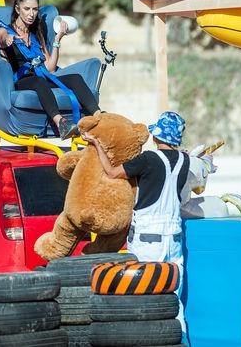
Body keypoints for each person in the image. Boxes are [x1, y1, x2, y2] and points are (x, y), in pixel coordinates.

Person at [81, 111, 215, 346]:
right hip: (174, 238)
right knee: (173, 300)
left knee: (144, 298)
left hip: (147, 240)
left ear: (157, 136)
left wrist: (97, 144)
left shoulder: (148, 159)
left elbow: (112, 172)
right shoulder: (185, 161)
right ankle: (181, 340)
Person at [0, 0, 101, 140]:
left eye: (35, 9)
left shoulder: (35, 35)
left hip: (41, 77)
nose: (31, 14)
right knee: (39, 82)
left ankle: (100, 117)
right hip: (21, 80)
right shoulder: (5, 30)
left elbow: (50, 69)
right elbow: (2, 38)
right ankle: (61, 123)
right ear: (18, 9)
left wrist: (57, 40)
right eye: (27, 9)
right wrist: (7, 39)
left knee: (75, 78)